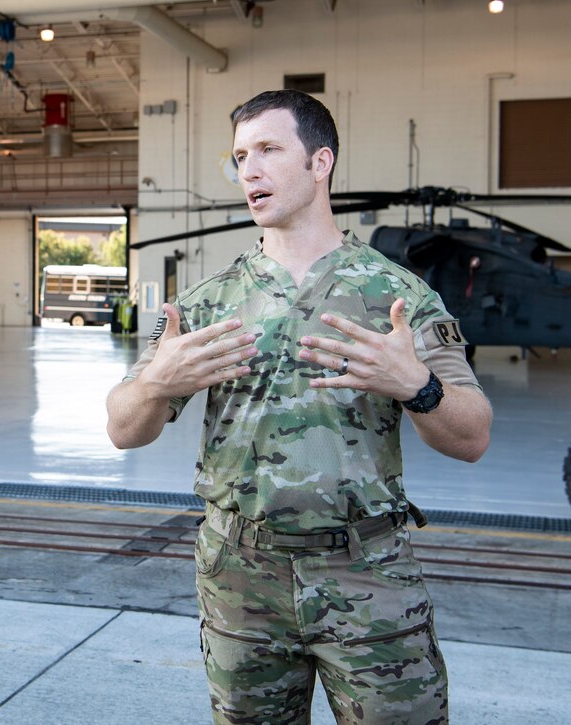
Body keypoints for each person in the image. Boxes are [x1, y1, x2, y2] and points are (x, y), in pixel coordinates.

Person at [106, 90, 491, 724]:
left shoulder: (400, 298)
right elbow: (123, 429)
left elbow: (472, 436)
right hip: (239, 579)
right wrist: (153, 385)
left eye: (267, 150)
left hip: (368, 577)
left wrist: (415, 384)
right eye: (238, 156)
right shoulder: (205, 303)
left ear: (320, 163)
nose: (247, 170)